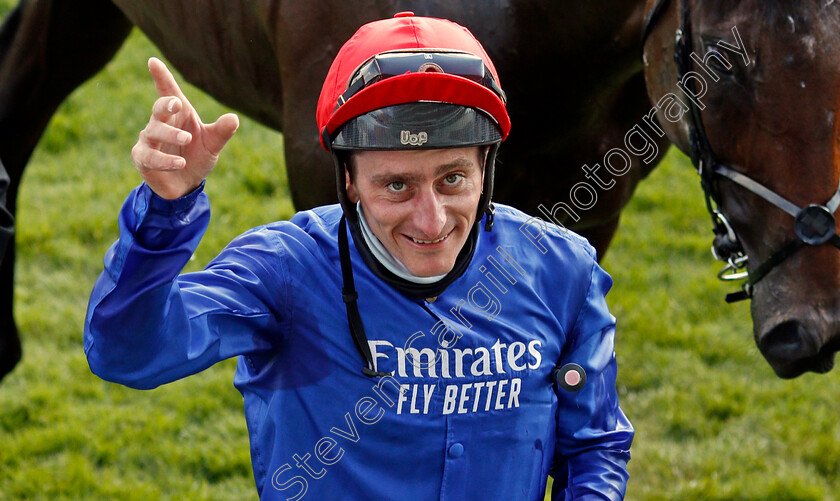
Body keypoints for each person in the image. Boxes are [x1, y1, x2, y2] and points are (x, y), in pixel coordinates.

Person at [85, 12, 634, 500]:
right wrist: (163, 215)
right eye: (396, 186)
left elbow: (595, 447)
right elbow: (127, 353)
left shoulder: (565, 270)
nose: (433, 220)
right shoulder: (283, 269)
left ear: (486, 165)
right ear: (347, 180)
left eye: (453, 178)